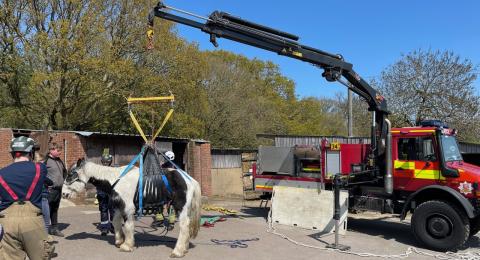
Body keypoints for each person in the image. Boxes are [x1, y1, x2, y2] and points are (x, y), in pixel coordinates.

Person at [0, 136, 55, 260]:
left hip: (7, 222)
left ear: (13, 153)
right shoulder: (39, 169)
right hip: (33, 221)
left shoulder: (1, 173)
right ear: (31, 152)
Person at [44, 142, 67, 237]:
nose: (60, 152)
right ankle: (44, 231)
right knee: (47, 209)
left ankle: (54, 229)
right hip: (50, 190)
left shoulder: (59, 160)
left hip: (59, 189)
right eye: (58, 150)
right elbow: (41, 175)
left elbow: (64, 172)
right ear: (51, 150)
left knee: (55, 209)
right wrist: (47, 185)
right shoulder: (45, 161)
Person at [152, 151, 176, 229]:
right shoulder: (172, 165)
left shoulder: (168, 166)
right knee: (169, 205)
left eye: (165, 157)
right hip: (169, 188)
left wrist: (159, 165)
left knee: (165, 204)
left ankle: (163, 221)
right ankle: (168, 222)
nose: (164, 158)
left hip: (167, 188)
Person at [96, 152, 115, 236]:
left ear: (110, 162)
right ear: (102, 162)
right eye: (104, 162)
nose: (106, 163)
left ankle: (113, 227)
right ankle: (104, 228)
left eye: (107, 162)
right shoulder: (98, 171)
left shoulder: (113, 170)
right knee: (103, 210)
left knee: (113, 211)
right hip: (102, 193)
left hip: (111, 194)